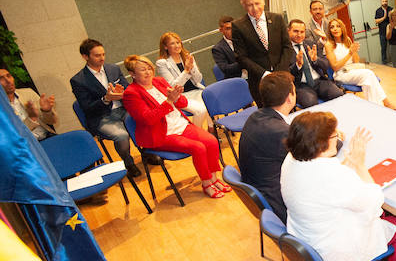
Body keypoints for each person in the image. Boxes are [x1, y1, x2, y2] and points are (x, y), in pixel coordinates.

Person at [281, 111, 396, 261]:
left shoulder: (290, 160)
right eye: (334, 135)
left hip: (306, 241)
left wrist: (347, 166)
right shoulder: (331, 175)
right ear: (320, 144)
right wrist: (359, 164)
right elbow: (375, 201)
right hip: (334, 254)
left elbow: (324, 191)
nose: (336, 138)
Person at [122, 55, 227, 198]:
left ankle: (214, 178)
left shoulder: (158, 81)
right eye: (142, 70)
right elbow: (148, 119)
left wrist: (177, 96)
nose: (148, 72)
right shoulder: (131, 94)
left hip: (180, 124)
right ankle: (207, 183)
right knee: (198, 148)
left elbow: (182, 103)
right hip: (161, 133)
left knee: (212, 141)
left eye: (149, 68)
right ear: (132, 74)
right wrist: (169, 101)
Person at [70, 38, 141, 177]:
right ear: (85, 57)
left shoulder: (113, 68)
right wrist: (106, 99)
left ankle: (148, 152)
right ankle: (128, 163)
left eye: (103, 54)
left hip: (123, 110)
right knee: (121, 135)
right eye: (97, 55)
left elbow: (128, 89)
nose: (102, 58)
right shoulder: (78, 80)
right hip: (102, 117)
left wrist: (123, 93)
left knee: (145, 119)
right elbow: (87, 107)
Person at [238, 71, 297, 222]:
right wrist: (336, 137)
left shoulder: (255, 117)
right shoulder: (280, 131)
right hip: (280, 203)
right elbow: (315, 152)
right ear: (289, 98)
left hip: (261, 189)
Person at [231, 0, 294, 104]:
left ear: (264, 2)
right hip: (259, 81)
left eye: (257, 3)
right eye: (250, 5)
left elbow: (287, 47)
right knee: (268, 117)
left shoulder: (277, 19)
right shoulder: (238, 26)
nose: (255, 8)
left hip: (282, 76)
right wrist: (264, 74)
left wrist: (279, 72)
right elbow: (241, 57)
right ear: (243, 5)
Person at [324, 19, 396, 109]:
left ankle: (376, 107)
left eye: (338, 26)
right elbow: (335, 67)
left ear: (342, 28)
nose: (335, 29)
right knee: (368, 74)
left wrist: (354, 51)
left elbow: (356, 61)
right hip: (341, 73)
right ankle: (385, 103)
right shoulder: (329, 45)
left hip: (352, 70)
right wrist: (350, 53)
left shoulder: (347, 40)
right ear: (329, 30)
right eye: (332, 27)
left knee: (368, 79)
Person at [155, 31, 211, 131]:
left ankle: (212, 129)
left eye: (178, 42)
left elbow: (198, 79)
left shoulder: (187, 56)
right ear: (165, 47)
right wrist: (186, 70)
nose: (177, 46)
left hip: (197, 91)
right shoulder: (162, 63)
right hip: (181, 96)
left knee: (211, 104)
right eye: (172, 43)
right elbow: (173, 86)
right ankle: (199, 133)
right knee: (201, 110)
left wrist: (192, 68)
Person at [286, 19, 342, 108]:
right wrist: (297, 65)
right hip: (301, 85)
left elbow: (326, 64)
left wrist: (316, 59)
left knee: (338, 94)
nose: (299, 34)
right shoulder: (284, 50)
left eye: (302, 32)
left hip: (319, 81)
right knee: (311, 103)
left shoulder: (311, 44)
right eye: (296, 31)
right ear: (288, 31)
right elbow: (286, 73)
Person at [1, 64, 56, 140]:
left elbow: (52, 121)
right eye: (1, 79)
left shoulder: (27, 93)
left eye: (8, 76)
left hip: (47, 137)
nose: (8, 81)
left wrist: (47, 111)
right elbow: (14, 135)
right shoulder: (2, 107)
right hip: (25, 147)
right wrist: (31, 119)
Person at [374, 0, 390, 64]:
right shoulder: (378, 10)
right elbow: (376, 21)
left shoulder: (391, 9)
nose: (385, 3)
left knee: (393, 46)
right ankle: (384, 62)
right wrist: (384, 17)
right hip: (382, 33)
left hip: (391, 32)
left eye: (386, 1)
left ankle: (395, 59)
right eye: (383, 1)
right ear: (381, 2)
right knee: (383, 48)